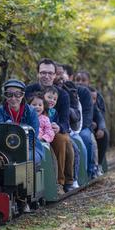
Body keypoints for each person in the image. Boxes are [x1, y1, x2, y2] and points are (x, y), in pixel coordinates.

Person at [25, 58, 74, 194]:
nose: (46, 76)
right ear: (38, 74)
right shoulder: (28, 91)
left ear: (54, 75)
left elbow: (65, 120)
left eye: (50, 73)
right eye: (43, 72)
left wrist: (59, 127)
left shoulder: (62, 94)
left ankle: (59, 182)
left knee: (62, 140)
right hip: (31, 129)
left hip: (52, 129)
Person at [0, 79, 43, 165]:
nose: (13, 98)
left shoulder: (31, 112)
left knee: (24, 158)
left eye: (17, 94)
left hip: (30, 148)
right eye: (9, 95)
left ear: (22, 95)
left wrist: (20, 150)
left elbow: (32, 136)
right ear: (5, 96)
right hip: (4, 149)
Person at [76, 71, 109, 174]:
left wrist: (100, 127)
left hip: (92, 125)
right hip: (78, 126)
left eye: (83, 80)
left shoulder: (94, 94)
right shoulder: (73, 93)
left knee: (104, 135)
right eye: (78, 80)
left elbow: (99, 114)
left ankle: (98, 164)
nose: (80, 82)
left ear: (89, 82)